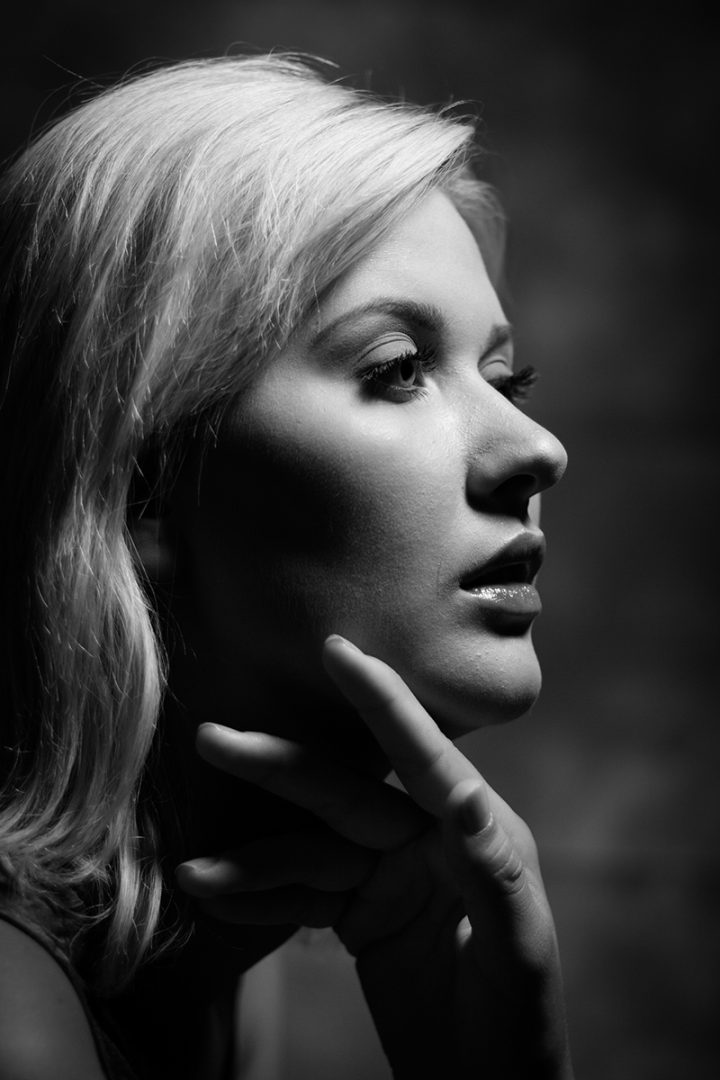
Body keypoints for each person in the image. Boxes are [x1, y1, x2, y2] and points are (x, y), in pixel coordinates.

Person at [0, 54, 572, 1078]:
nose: (537, 449)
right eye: (399, 369)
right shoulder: (19, 1027)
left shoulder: (217, 965)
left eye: (505, 377)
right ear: (140, 483)